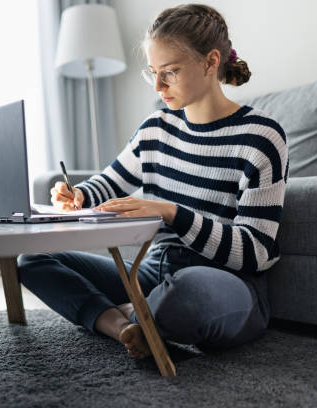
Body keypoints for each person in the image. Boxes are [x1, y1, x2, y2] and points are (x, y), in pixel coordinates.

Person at [17, 3, 289, 358]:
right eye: (152, 73)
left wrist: (171, 212)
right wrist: (77, 195)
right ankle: (124, 326)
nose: (159, 86)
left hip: (226, 284)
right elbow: (109, 183)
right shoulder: (156, 129)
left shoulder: (261, 136)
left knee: (186, 289)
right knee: (31, 259)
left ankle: (142, 313)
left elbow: (256, 252)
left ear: (210, 62)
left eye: (170, 72)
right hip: (152, 273)